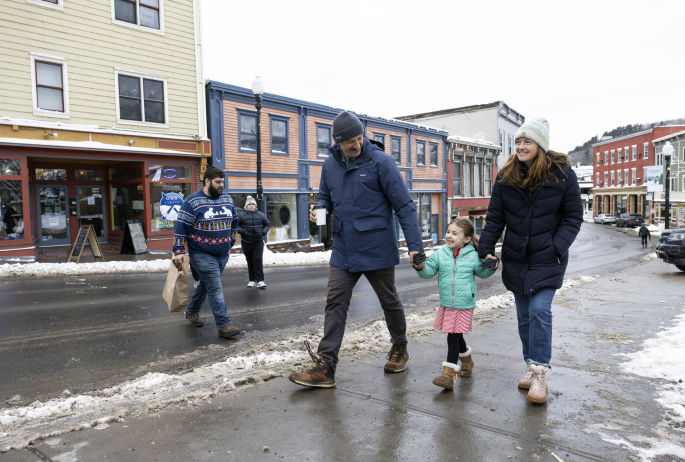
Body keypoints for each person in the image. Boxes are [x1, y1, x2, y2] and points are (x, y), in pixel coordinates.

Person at [288, 111, 424, 388]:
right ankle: (326, 366)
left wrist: (415, 247)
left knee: (389, 301)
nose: (357, 144)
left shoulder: (381, 162)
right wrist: (319, 216)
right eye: (350, 141)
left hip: (377, 246)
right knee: (335, 303)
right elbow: (325, 198)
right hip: (344, 248)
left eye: (360, 138)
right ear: (338, 141)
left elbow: (404, 206)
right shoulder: (329, 166)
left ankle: (400, 348)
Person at [478, 118, 582, 404]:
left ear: (541, 145)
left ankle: (540, 374)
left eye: (528, 141)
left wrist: (556, 247)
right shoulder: (506, 175)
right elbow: (495, 216)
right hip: (517, 257)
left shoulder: (562, 175)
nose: (521, 146)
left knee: (539, 311)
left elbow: (573, 218)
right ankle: (530, 363)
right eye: (518, 141)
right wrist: (486, 248)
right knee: (524, 317)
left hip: (549, 257)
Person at [413, 218, 495, 390]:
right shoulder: (440, 254)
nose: (449, 236)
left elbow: (482, 273)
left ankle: (447, 375)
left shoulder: (473, 255)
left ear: (466, 238)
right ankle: (467, 362)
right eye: (448, 232)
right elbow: (428, 273)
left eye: (454, 233)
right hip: (447, 303)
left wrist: (490, 266)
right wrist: (420, 267)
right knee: (457, 335)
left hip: (465, 303)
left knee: (453, 335)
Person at [172, 166, 240, 338]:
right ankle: (224, 325)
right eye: (218, 182)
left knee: (205, 285)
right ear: (207, 181)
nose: (221, 185)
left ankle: (191, 311)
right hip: (201, 253)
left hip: (222, 254)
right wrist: (178, 250)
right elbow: (181, 227)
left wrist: (231, 241)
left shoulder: (227, 199)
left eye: (222, 182)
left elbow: (235, 221)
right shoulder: (192, 202)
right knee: (215, 288)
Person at [237, 196, 270, 288]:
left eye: (253, 204)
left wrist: (263, 232)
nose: (251, 206)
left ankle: (260, 280)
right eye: (249, 204)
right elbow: (234, 225)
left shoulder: (261, 215)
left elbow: (267, 224)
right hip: (246, 241)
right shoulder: (241, 215)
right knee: (250, 261)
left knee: (258, 260)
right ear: (246, 206)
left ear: (255, 205)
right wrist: (243, 231)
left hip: (258, 242)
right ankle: (252, 280)